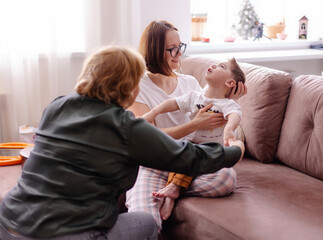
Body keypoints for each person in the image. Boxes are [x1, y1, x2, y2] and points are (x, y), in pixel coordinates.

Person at [0, 46, 245, 240]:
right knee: (146, 224)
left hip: (9, 224)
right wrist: (236, 149)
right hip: (70, 234)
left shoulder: (57, 106)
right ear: (128, 85)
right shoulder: (126, 126)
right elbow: (191, 157)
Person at [125, 20, 247, 230]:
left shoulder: (189, 83)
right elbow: (148, 138)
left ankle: (174, 188)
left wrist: (229, 102)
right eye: (171, 49)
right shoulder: (138, 86)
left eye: (179, 47)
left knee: (226, 177)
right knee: (143, 221)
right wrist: (192, 126)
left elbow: (226, 129)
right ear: (154, 51)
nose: (178, 53)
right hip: (154, 164)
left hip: (190, 163)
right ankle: (168, 187)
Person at [142, 57, 246, 214]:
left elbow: (235, 116)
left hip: (209, 150)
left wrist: (229, 130)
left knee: (210, 168)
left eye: (221, 66)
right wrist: (152, 113)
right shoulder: (195, 97)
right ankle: (173, 192)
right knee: (185, 157)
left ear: (230, 83)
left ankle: (173, 190)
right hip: (188, 146)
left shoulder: (228, 104)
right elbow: (172, 103)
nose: (214, 65)